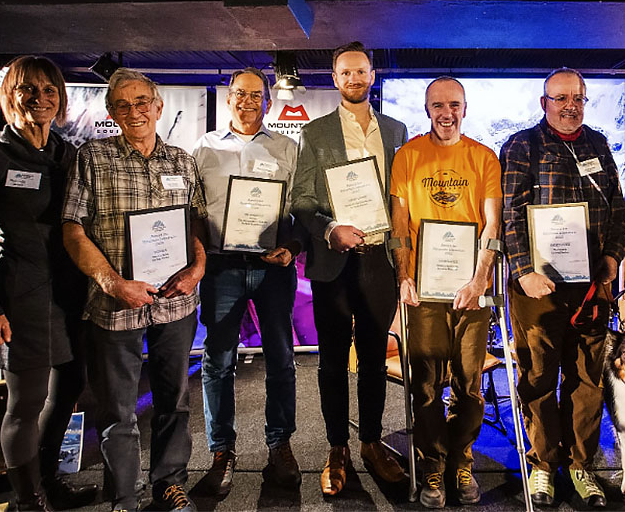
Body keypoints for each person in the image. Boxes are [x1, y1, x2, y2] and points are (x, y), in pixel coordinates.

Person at [0, 55, 98, 511]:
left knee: (71, 388)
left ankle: (49, 483)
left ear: (61, 99)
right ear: (8, 95)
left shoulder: (67, 154)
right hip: (23, 293)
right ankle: (28, 501)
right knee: (26, 401)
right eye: (28, 89)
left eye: (49, 90)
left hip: (73, 293)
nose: (40, 99)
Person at [61, 68, 208, 512]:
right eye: (122, 105)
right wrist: (113, 282)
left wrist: (198, 266)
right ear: (111, 113)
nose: (134, 111)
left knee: (174, 403)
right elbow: (72, 229)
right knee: (117, 412)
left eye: (142, 101)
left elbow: (196, 223)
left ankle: (169, 482)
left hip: (175, 304)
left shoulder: (182, 160)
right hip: (114, 306)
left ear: (159, 107)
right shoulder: (93, 157)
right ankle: (124, 496)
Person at [500, 67, 625, 508]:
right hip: (538, 288)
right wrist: (522, 270)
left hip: (592, 287)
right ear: (544, 103)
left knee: (588, 378)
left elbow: (617, 207)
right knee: (538, 376)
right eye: (560, 98)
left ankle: (580, 465)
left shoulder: (598, 143)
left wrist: (612, 256)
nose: (570, 106)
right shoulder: (522, 145)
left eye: (578, 98)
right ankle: (541, 465)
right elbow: (510, 212)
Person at [289, 41, 409, 496]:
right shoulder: (315, 133)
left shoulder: (397, 131)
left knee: (376, 361)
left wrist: (403, 263)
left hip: (378, 261)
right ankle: (336, 448)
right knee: (333, 364)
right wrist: (329, 228)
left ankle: (371, 443)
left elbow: (401, 205)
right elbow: (301, 200)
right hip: (333, 263)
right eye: (345, 73)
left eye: (361, 71)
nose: (354, 79)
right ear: (334, 79)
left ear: (372, 75)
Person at [389, 77, 502, 508]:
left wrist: (479, 280)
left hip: (472, 291)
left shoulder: (483, 157)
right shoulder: (408, 156)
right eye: (438, 105)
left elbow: (491, 226)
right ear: (427, 108)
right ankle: (432, 465)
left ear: (465, 108)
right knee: (427, 385)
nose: (446, 113)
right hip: (424, 291)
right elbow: (400, 225)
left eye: (453, 104)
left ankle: (462, 458)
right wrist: (403, 274)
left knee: (469, 385)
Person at [191, 67, 302, 496]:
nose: (247, 101)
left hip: (274, 268)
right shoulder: (203, 148)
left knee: (281, 358)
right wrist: (199, 258)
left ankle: (280, 445)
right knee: (218, 362)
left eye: (256, 95)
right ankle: (222, 451)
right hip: (221, 267)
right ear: (228, 97)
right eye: (240, 93)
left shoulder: (287, 148)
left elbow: (301, 208)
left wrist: (291, 247)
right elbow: (194, 212)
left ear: (268, 102)